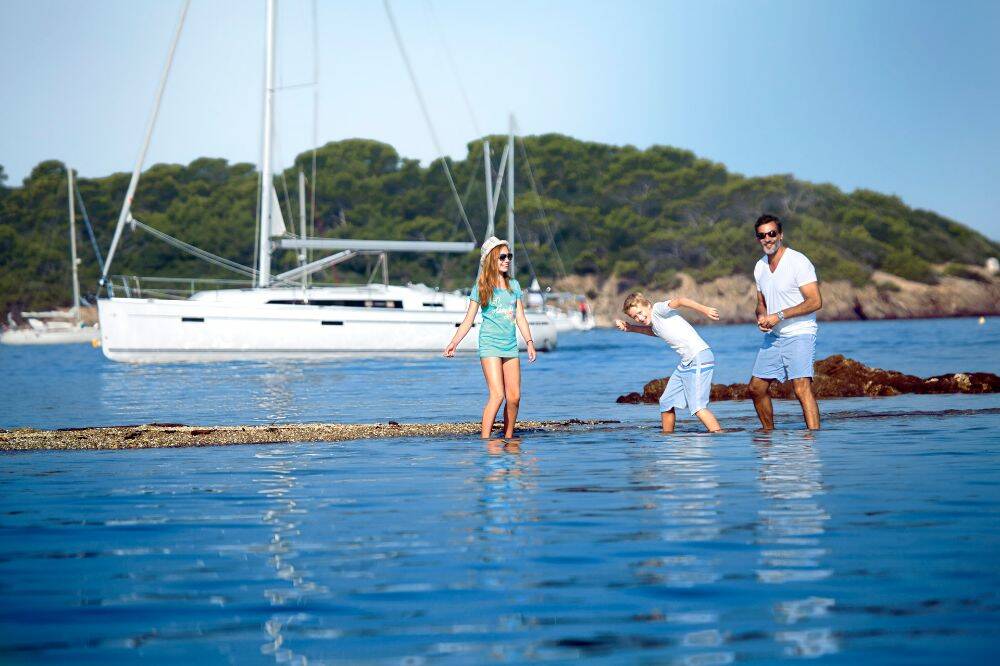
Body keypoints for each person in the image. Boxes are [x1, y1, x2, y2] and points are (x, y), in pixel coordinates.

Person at [444, 237, 537, 438]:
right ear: (492, 259)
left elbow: (520, 317)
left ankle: (509, 438)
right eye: (502, 257)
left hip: (510, 345)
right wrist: (454, 343)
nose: (507, 260)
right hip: (490, 345)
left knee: (514, 397)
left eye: (509, 256)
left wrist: (529, 342)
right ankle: (485, 440)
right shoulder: (481, 286)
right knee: (497, 395)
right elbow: (468, 320)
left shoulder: (514, 285)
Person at [749, 214, 823, 430]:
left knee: (801, 388)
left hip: (800, 332)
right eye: (762, 235)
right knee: (756, 388)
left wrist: (779, 315)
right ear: (758, 239)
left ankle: (813, 439)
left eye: (772, 233)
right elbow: (761, 304)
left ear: (780, 235)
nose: (767, 239)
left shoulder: (798, 261)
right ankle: (768, 435)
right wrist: (761, 317)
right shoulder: (760, 267)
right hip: (775, 336)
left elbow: (815, 301)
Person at [615, 292, 722, 433]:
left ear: (648, 305)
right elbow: (654, 332)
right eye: (635, 317)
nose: (639, 318)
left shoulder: (659, 309)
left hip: (699, 357)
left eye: (640, 313)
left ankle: (720, 436)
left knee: (697, 407)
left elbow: (681, 300)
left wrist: (705, 310)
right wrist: (631, 328)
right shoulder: (655, 323)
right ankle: (667, 438)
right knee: (666, 402)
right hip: (687, 362)